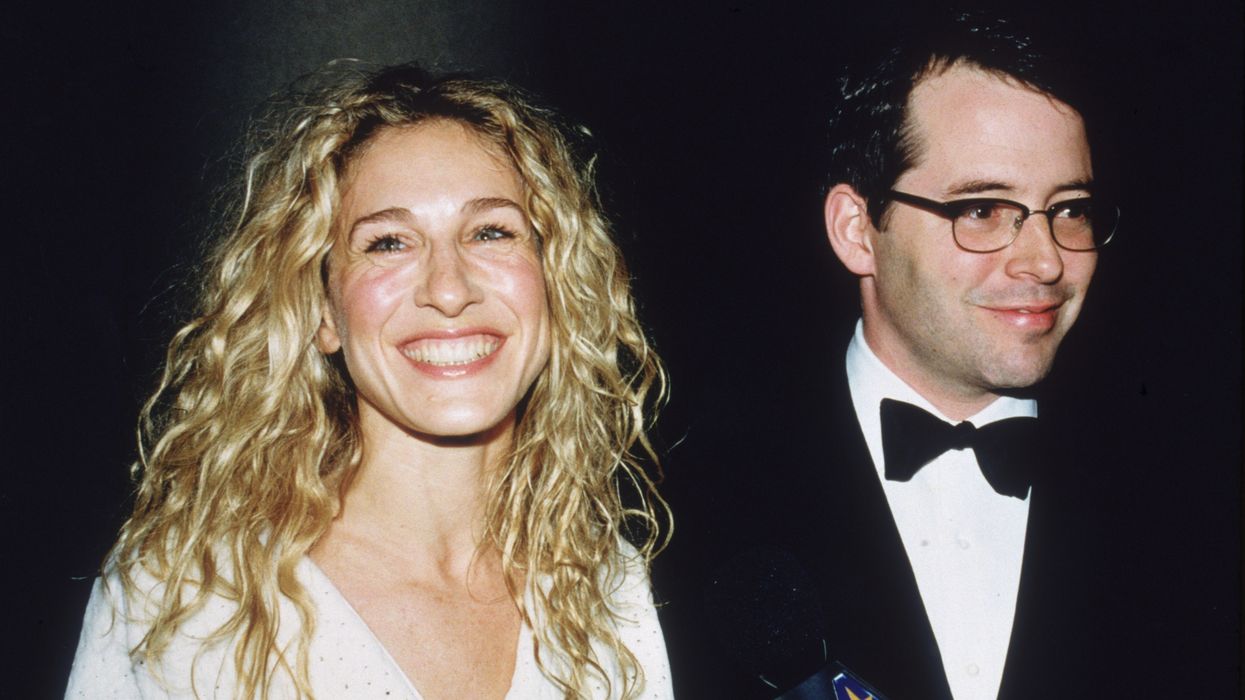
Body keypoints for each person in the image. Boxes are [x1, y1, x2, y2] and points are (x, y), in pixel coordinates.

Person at [65, 64, 673, 699]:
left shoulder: (608, 588)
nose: (448, 289)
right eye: (388, 243)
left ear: (557, 286)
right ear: (323, 312)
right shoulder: (189, 598)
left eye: (491, 232)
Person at [657, 12, 1135, 700]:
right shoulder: (685, 492)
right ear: (857, 231)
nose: (1044, 261)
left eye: (1070, 210)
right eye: (981, 210)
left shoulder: (1183, 492)